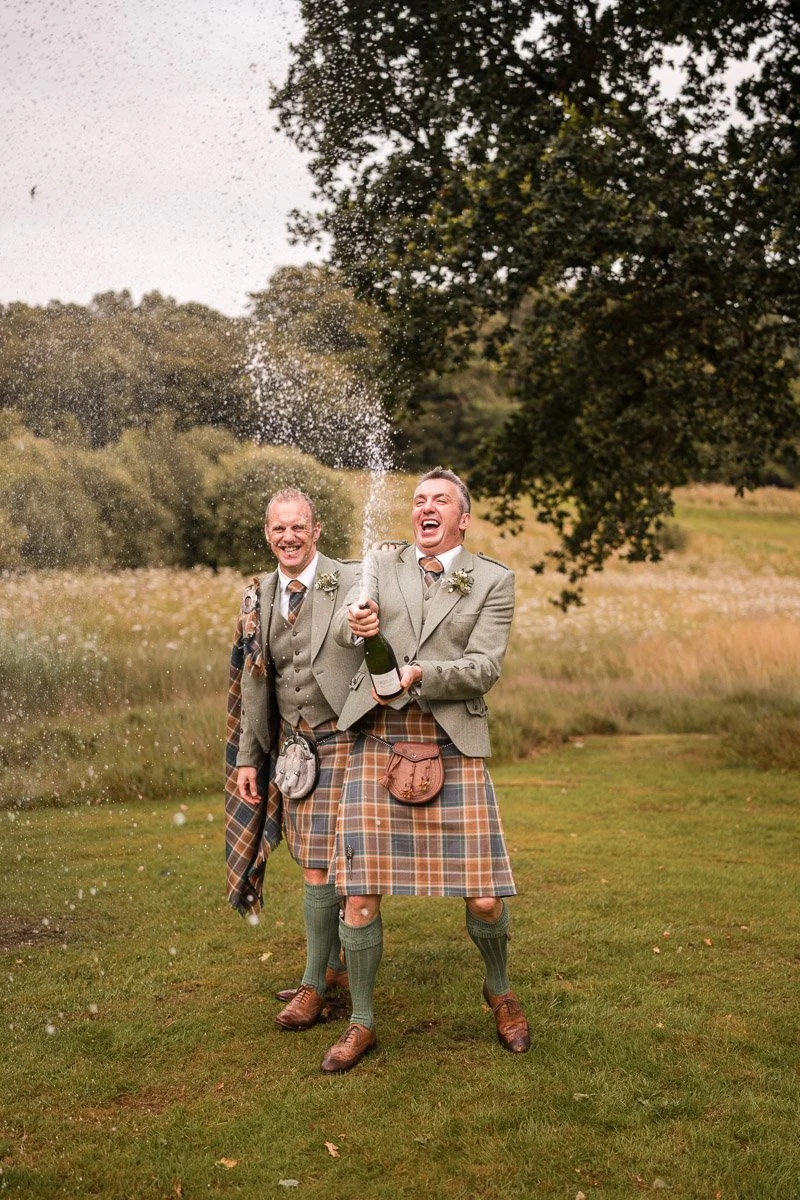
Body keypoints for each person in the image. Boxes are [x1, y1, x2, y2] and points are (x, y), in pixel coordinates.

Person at [320, 467, 530, 1074]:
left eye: (440, 501)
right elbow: (343, 629)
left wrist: (421, 675)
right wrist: (355, 623)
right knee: (358, 899)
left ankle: (499, 990)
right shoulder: (382, 564)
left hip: (450, 739)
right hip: (379, 738)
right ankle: (361, 1022)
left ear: (463, 517)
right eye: (419, 500)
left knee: (486, 898)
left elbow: (485, 666)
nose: (426, 508)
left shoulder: (492, 579)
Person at [235, 487, 364, 1031]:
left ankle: (318, 983)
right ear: (267, 534)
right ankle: (325, 972)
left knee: (345, 864)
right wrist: (248, 757)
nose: (288, 537)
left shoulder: (353, 579)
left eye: (298, 527)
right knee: (314, 862)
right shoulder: (257, 593)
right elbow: (253, 677)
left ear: (317, 530)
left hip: (351, 739)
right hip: (296, 746)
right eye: (278, 528)